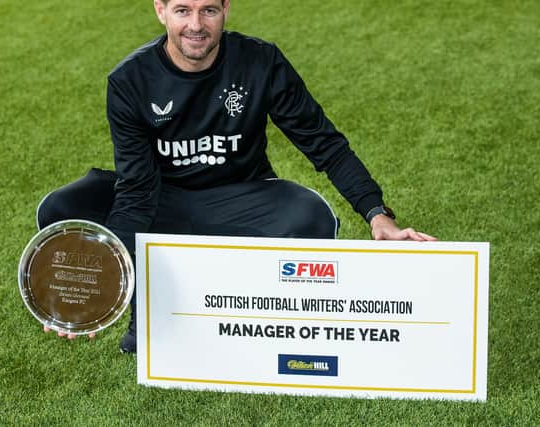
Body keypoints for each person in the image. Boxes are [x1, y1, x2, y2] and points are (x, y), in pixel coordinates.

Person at [37, 0, 436, 352]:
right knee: (64, 208)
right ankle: (149, 310)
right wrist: (99, 292)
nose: (196, 24)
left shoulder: (260, 61)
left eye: (208, 10)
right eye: (183, 10)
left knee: (312, 218)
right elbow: (138, 190)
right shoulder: (130, 81)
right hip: (163, 202)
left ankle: (250, 310)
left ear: (226, 9)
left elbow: (324, 143)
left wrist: (376, 214)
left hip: (240, 200)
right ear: (160, 11)